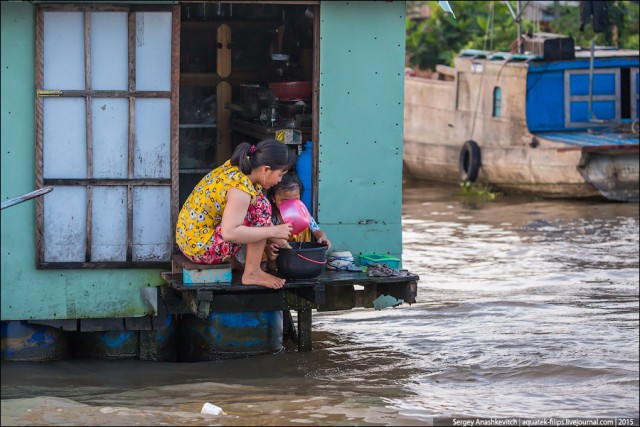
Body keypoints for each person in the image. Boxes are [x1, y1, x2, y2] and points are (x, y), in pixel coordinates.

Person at [175, 139, 294, 289]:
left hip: (189, 240)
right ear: (265, 169)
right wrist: (273, 230)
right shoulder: (240, 190)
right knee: (262, 205)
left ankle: (240, 265)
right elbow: (230, 233)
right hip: (200, 248)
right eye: (280, 174)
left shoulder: (239, 169)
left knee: (257, 205)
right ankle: (252, 273)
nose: (280, 180)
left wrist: (284, 244)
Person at [265, 172, 331, 268]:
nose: (290, 205)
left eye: (295, 200)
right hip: (275, 259)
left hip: (299, 258)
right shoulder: (270, 216)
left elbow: (317, 230)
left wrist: (322, 237)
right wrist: (266, 248)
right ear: (273, 198)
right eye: (285, 201)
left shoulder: (303, 214)